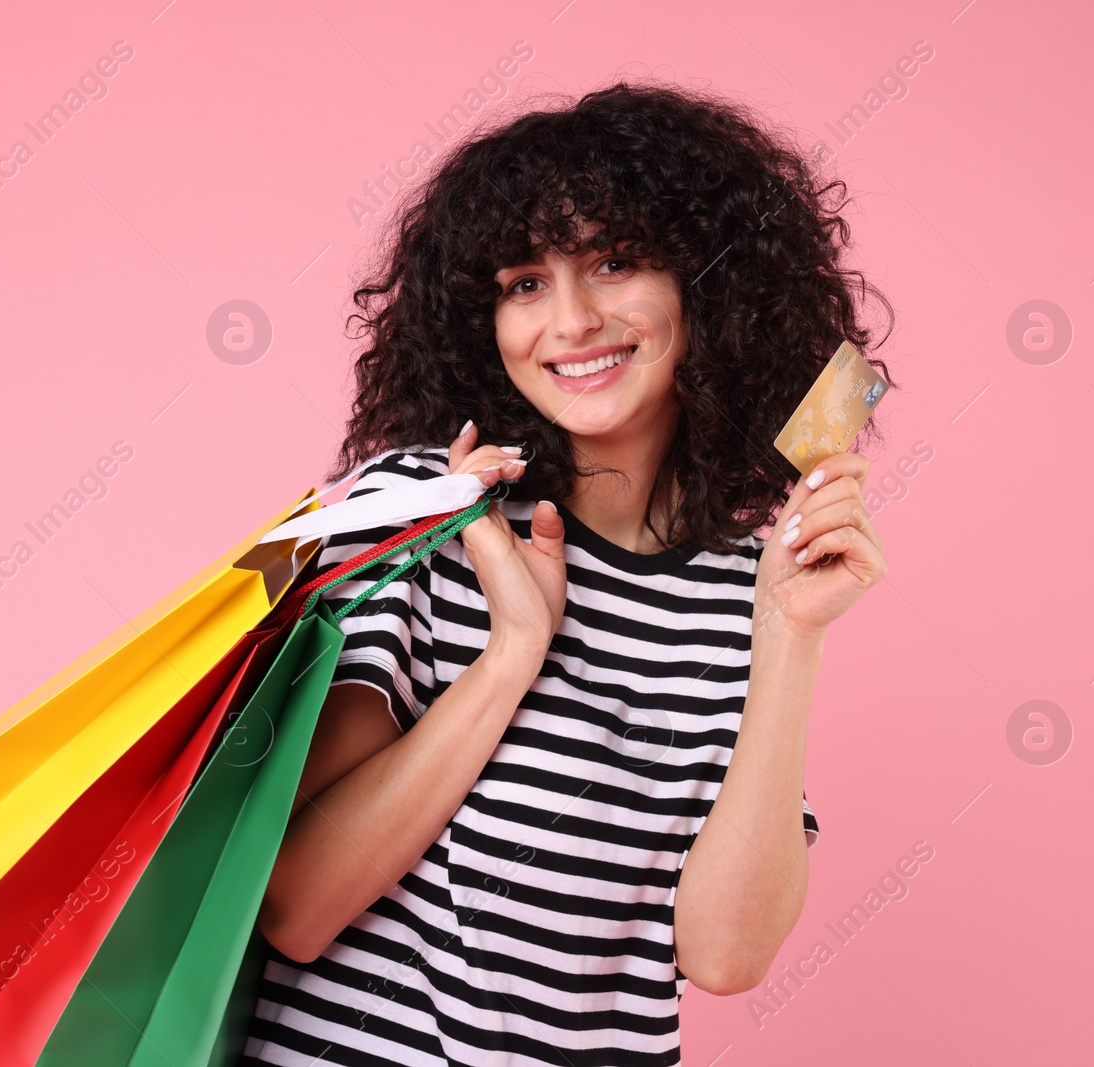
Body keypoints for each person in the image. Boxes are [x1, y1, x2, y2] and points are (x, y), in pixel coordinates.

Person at [241, 81, 896, 1067]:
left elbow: (722, 953)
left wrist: (790, 636)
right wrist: (512, 652)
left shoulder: (747, 595)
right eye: (523, 282)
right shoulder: (419, 515)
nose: (572, 319)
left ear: (706, 288)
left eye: (615, 262)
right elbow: (294, 902)